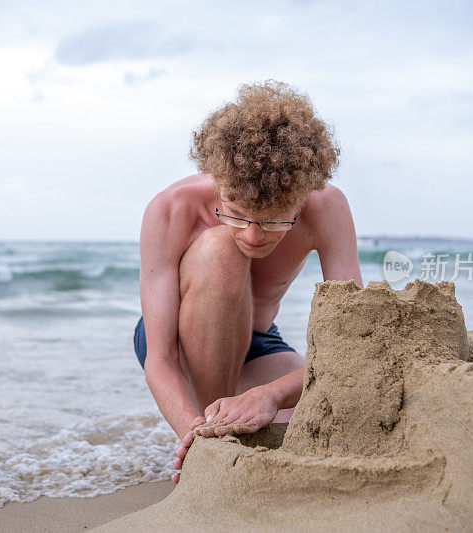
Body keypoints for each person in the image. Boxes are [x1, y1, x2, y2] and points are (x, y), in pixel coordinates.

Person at [133, 80, 363, 484]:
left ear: (303, 196)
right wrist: (196, 437)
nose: (254, 236)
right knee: (223, 249)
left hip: (260, 339)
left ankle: (227, 421)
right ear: (217, 183)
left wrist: (271, 394)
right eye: (237, 212)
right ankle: (214, 439)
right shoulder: (171, 209)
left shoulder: (327, 208)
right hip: (177, 336)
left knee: (320, 421)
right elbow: (160, 359)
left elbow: (354, 342)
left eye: (276, 219)